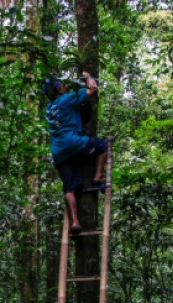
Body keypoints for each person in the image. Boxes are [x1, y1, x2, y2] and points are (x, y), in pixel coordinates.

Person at [43, 72, 109, 235]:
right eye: (61, 84)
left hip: (59, 152)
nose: (64, 86)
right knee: (103, 146)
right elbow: (92, 89)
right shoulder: (67, 99)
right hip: (73, 142)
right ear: (58, 89)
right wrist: (87, 76)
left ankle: (75, 222)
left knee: (69, 189)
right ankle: (98, 176)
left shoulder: (49, 109)